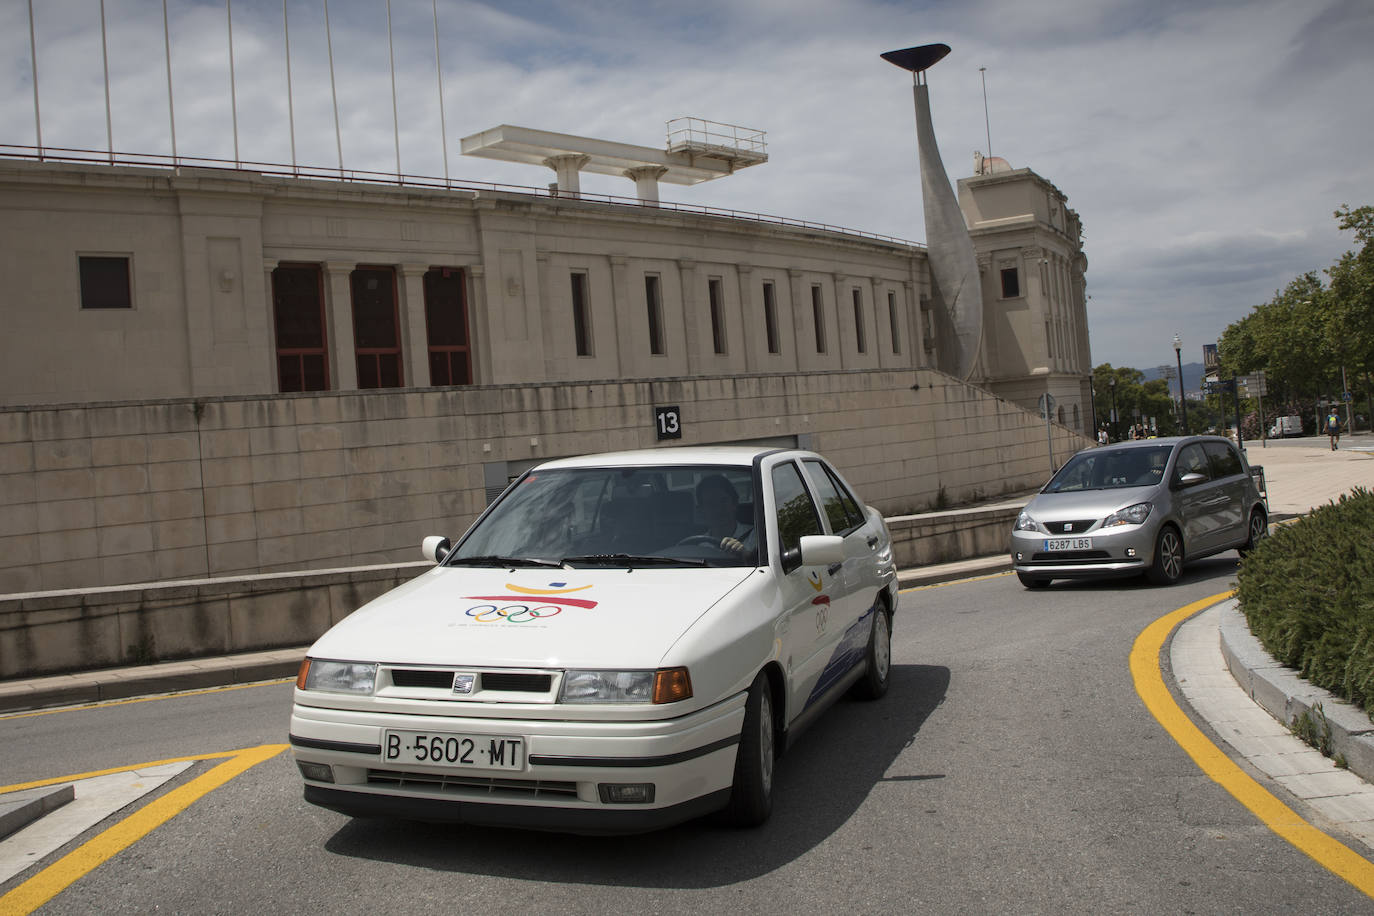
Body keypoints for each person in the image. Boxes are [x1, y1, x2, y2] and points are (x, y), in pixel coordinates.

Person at [693, 474, 753, 556]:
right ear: (702, 511)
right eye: (710, 503)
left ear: (734, 503)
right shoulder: (698, 547)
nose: (718, 509)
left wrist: (746, 555)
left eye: (723, 501)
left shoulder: (756, 538)